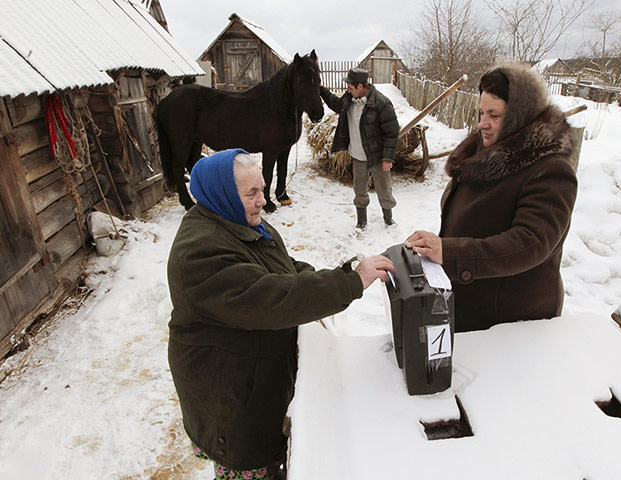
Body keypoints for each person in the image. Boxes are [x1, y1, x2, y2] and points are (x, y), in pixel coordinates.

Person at [166, 148, 394, 480]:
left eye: (263, 189)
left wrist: (330, 281)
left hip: (252, 376)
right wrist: (350, 283)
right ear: (224, 194)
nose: (263, 200)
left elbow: (282, 270)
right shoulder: (201, 252)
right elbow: (272, 298)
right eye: (252, 193)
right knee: (251, 468)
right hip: (231, 395)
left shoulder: (236, 220)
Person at [405, 63, 578, 333]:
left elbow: (530, 243)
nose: (482, 124)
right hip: (474, 306)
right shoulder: (483, 155)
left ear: (520, 117)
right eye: (481, 113)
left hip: (513, 322)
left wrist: (450, 253)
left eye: (494, 115)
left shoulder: (551, 171)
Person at [320, 67, 399, 229]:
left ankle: (388, 218)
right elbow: (335, 103)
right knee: (359, 188)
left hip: (377, 156)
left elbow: (392, 132)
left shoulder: (381, 103)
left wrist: (387, 157)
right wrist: (320, 89)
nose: (347, 90)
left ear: (361, 86)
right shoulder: (349, 99)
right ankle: (361, 220)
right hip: (357, 155)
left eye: (350, 87)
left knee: (384, 189)